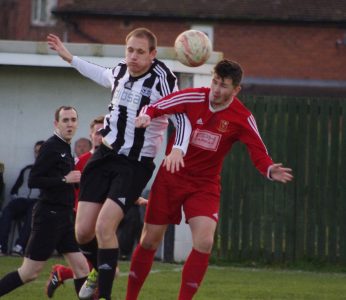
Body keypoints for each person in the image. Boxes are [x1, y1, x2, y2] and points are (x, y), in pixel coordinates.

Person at [126, 59, 294, 300]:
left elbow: (258, 150)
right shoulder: (193, 97)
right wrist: (147, 115)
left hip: (204, 185)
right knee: (150, 241)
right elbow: (159, 105)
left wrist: (268, 168)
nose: (216, 90)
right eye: (214, 82)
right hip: (171, 177)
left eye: (224, 86)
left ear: (236, 90)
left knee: (204, 241)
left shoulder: (242, 117)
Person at [47, 27, 189, 300]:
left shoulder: (163, 79)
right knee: (83, 230)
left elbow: (182, 119)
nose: (133, 57)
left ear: (152, 54)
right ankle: (99, 270)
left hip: (134, 164)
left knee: (104, 228)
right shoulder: (121, 70)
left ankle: (105, 294)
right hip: (105, 155)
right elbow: (101, 73)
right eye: (130, 50)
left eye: (140, 52)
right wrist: (70, 57)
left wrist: (178, 148)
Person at [0, 106, 90, 298]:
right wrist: (66, 179)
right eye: (65, 120)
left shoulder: (65, 146)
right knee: (29, 273)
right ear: (56, 124)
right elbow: (34, 180)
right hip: (49, 216)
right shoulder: (51, 146)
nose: (70, 124)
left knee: (82, 268)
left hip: (64, 217)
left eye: (73, 120)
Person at [0, 140, 44, 257]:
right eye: (36, 152)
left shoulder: (49, 170)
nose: (37, 154)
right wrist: (16, 197)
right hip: (21, 200)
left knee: (33, 213)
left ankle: (19, 247)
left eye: (40, 151)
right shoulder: (27, 169)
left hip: (37, 201)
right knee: (7, 211)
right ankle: (1, 246)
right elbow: (14, 189)